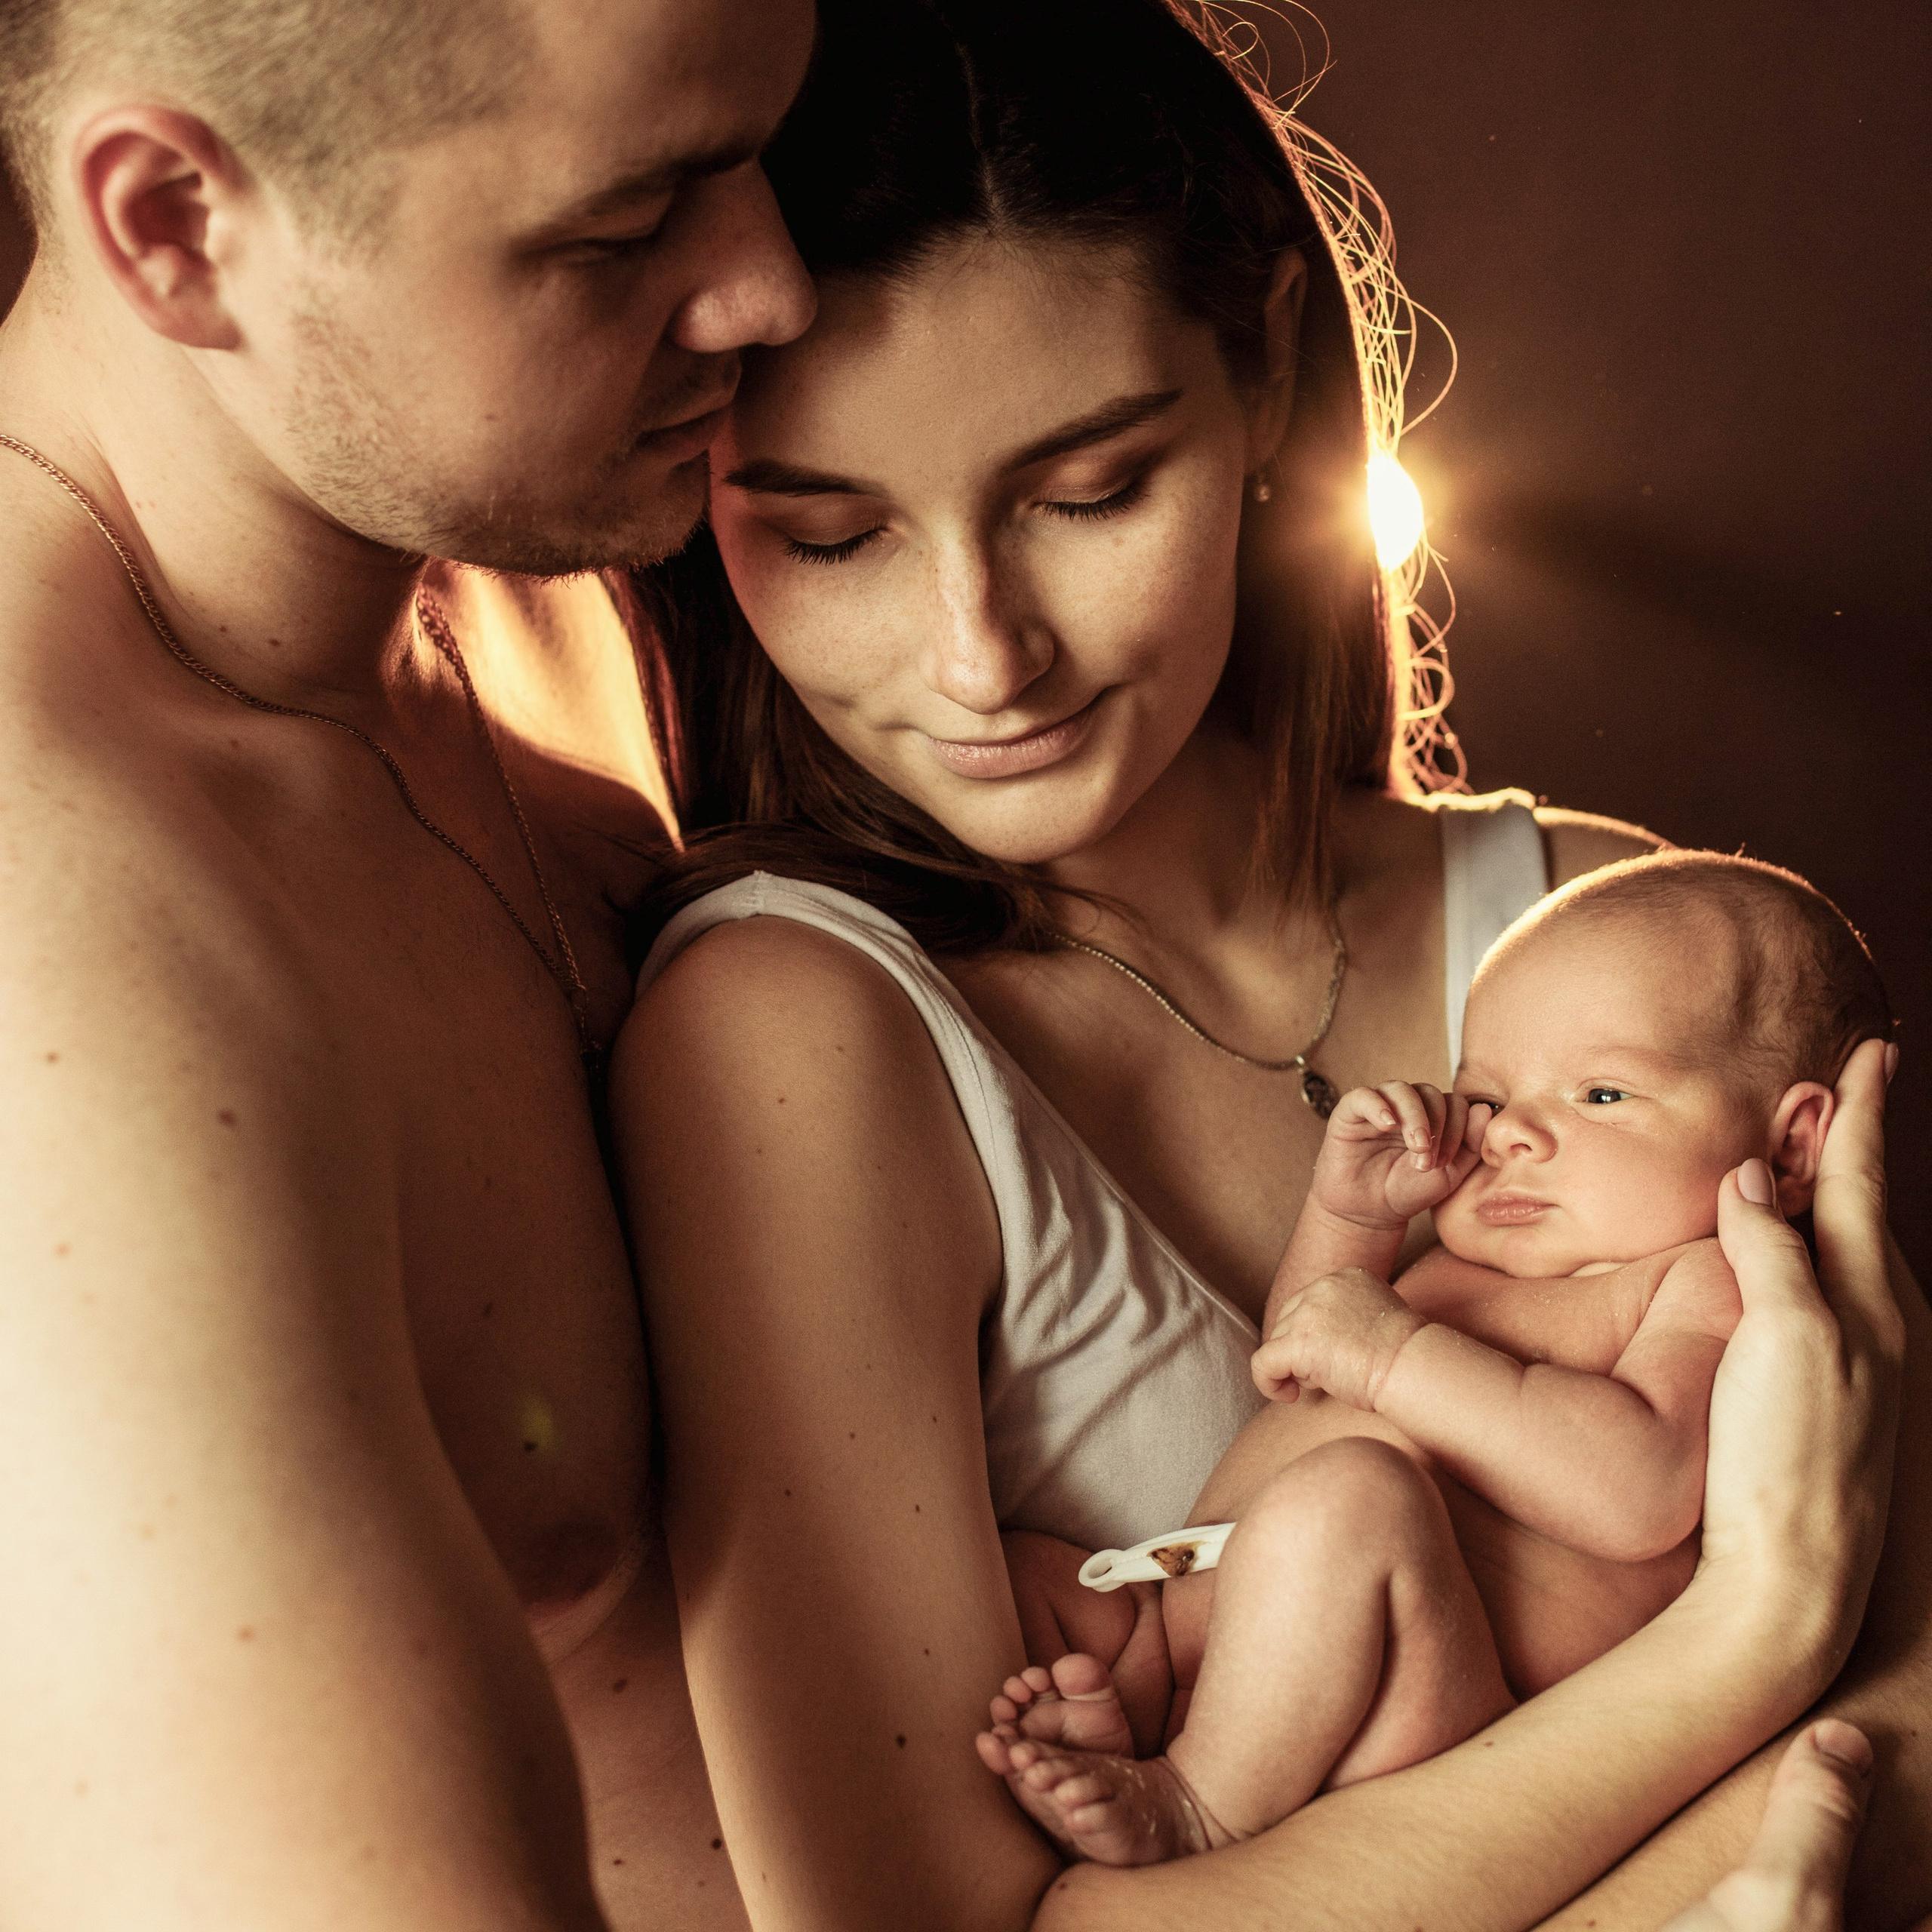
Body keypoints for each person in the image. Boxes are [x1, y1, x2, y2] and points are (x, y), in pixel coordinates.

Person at [611, 2, 1930, 1927]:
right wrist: (1754, 1639)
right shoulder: (790, 1042)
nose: (985, 658)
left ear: (1259, 383)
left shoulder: (1621, 938)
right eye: (828, 533)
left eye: (1087, 493)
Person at [0, 0, 820, 1924]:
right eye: (623, 229)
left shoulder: (502, 553)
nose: (772, 286)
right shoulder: (63, 987)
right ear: (179, 226)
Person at [977, 853, 1892, 1863]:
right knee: (1013, 1569)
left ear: (1795, 1146)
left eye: (1599, 1094)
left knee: (1356, 1497)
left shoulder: (1705, 1282)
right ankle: (1149, 1708)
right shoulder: (1462, 1255)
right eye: (1489, 1097)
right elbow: (1304, 1364)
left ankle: (1202, 1804)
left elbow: (1645, 1493)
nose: (1516, 1138)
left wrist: (1396, 1351)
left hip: (1427, 1694)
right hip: (1200, 1616)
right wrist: (1351, 1218)